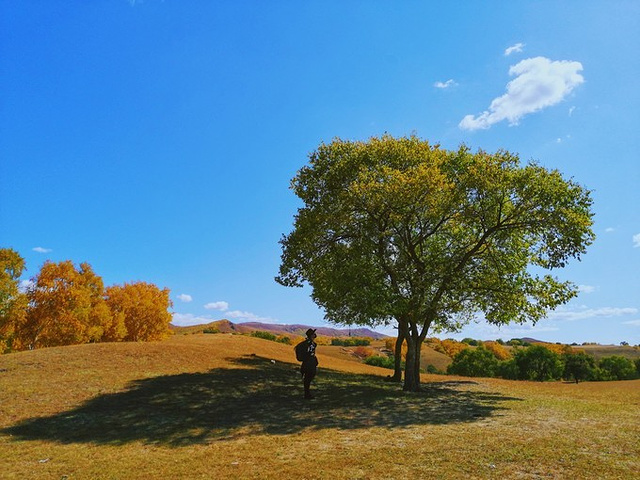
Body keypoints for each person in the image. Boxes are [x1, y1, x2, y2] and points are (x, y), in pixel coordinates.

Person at [299, 328, 318, 399]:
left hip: (310, 363)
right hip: (308, 364)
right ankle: (307, 394)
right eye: (313, 334)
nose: (315, 335)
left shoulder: (312, 343)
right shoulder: (309, 343)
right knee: (308, 379)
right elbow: (309, 353)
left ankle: (307, 393)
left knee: (308, 379)